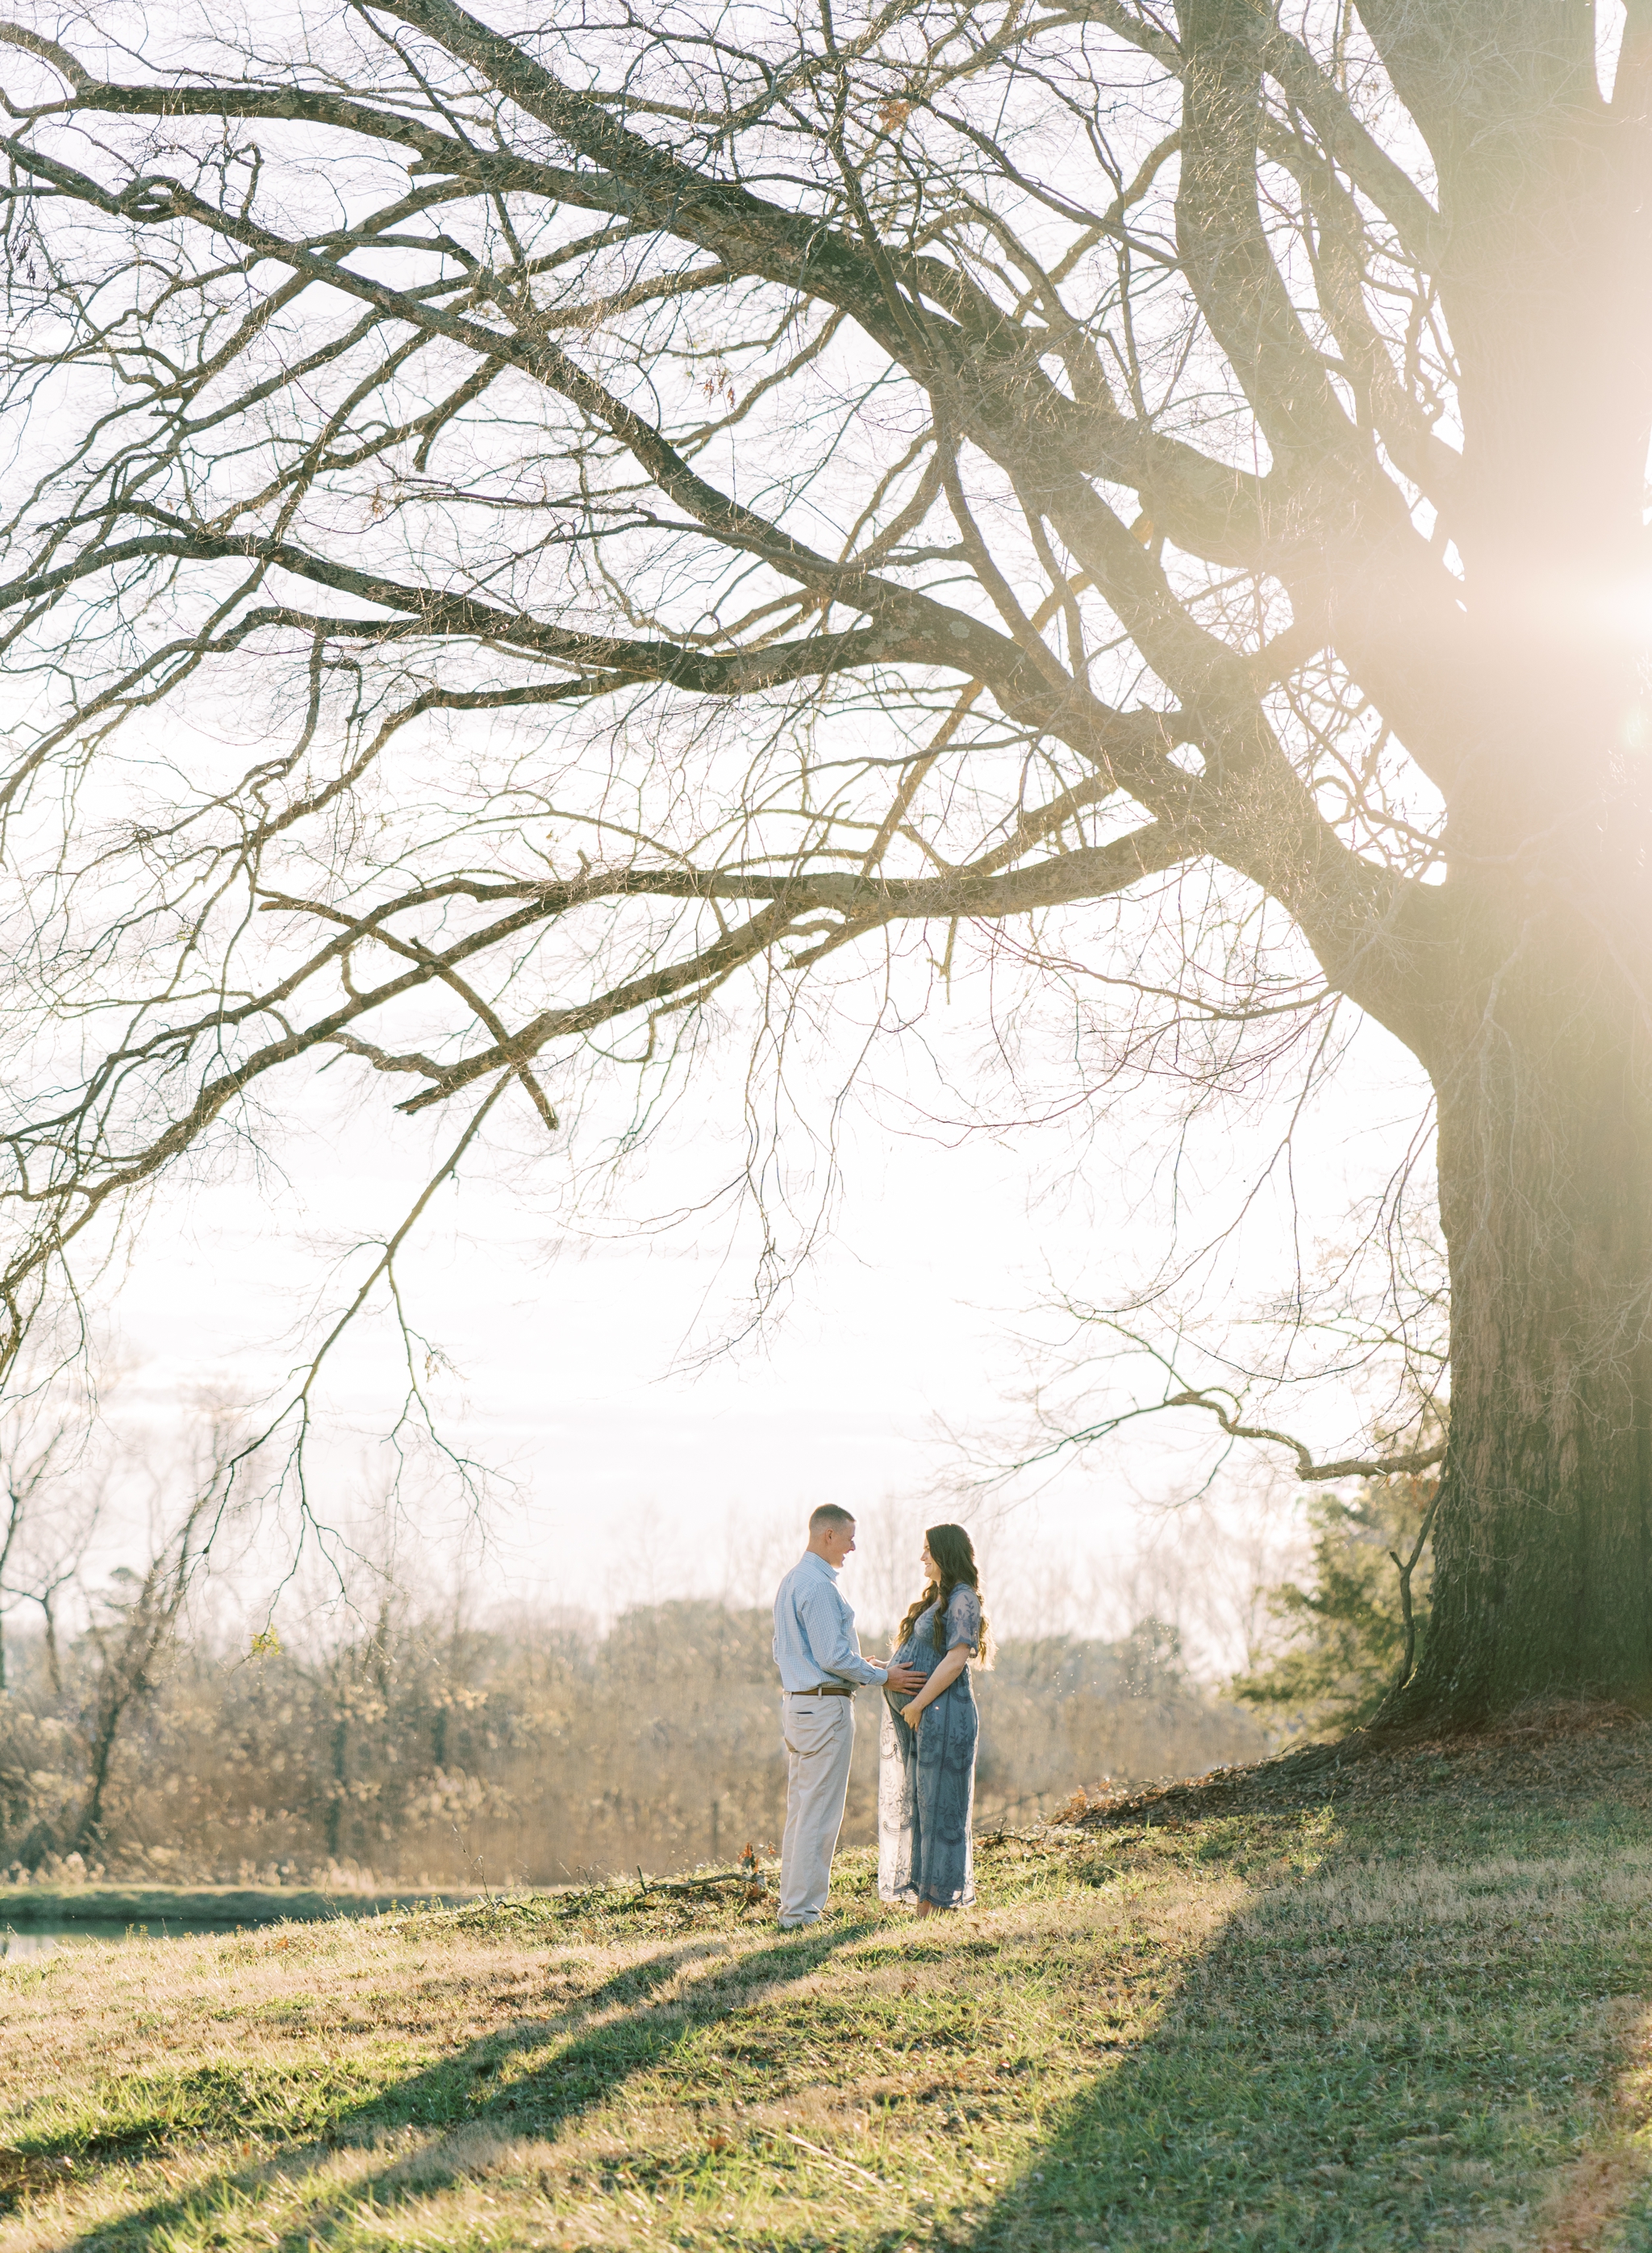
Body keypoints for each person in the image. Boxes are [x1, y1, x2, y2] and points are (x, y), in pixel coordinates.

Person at [772, 1505, 924, 1931]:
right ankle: (802, 1914)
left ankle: (794, 1908)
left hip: (801, 1705)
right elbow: (831, 1656)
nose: (853, 1546)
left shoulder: (792, 1581)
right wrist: (882, 1675)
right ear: (827, 1536)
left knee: (802, 1810)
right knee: (819, 1813)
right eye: (849, 1538)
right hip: (824, 1709)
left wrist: (857, 1665)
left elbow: (797, 1652)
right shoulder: (819, 1586)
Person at [878, 1523, 991, 1915]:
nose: (922, 1557)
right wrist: (885, 1670)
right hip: (927, 1719)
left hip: (945, 1718)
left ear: (945, 1553)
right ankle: (926, 1900)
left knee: (943, 1808)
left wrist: (917, 1704)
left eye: (928, 1550)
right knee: (924, 1805)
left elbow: (957, 1660)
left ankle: (937, 1904)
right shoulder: (938, 1598)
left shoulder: (963, 1599)